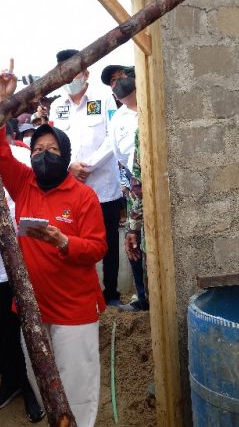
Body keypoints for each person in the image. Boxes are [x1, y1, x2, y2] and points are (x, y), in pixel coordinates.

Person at [0, 70, 107, 427]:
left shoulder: (83, 196)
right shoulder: (25, 183)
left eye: (52, 150)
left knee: (78, 388)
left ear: (65, 154)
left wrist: (64, 242)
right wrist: (2, 102)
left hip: (74, 310)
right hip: (33, 306)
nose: (43, 155)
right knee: (43, 380)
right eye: (38, 150)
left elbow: (98, 247)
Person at [0, 138, 44, 422]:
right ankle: (12, 382)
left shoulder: (19, 154)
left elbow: (37, 196)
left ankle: (35, 388)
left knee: (30, 330)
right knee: (1, 331)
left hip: (23, 263)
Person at [51, 49, 125, 306]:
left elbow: (112, 136)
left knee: (108, 243)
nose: (70, 77)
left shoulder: (104, 98)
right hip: (71, 188)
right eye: (64, 72)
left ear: (86, 73)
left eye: (74, 71)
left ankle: (112, 294)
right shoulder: (57, 106)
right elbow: (54, 143)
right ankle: (83, 294)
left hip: (104, 186)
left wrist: (89, 165)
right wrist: (69, 166)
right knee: (75, 242)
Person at [102, 64, 148, 312]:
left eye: (121, 77)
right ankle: (143, 297)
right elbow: (121, 157)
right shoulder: (118, 119)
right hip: (135, 184)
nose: (118, 82)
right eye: (112, 82)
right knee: (134, 242)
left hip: (157, 185)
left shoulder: (150, 106)